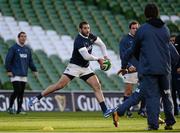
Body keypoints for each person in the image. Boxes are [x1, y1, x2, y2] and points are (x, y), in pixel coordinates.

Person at [109, 3, 176, 130]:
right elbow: (172, 51)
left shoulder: (143, 30)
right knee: (167, 96)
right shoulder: (165, 29)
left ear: (145, 14)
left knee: (151, 97)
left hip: (149, 70)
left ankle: (152, 124)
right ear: (157, 13)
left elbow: (132, 50)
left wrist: (124, 66)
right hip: (164, 69)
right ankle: (170, 122)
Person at [28, 21, 113, 117]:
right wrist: (98, 59)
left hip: (85, 67)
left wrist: (105, 56)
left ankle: (105, 111)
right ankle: (37, 98)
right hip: (74, 67)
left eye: (88, 28)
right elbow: (86, 56)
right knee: (59, 86)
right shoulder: (79, 40)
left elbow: (102, 44)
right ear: (80, 29)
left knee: (97, 86)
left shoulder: (91, 36)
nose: (87, 30)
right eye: (85, 28)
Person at [118, 21, 146, 118]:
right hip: (130, 70)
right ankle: (127, 110)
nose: (135, 30)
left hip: (141, 69)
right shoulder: (125, 40)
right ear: (130, 29)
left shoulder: (142, 40)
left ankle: (142, 110)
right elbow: (123, 54)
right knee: (128, 91)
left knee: (144, 89)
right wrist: (128, 65)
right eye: (133, 28)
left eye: (136, 28)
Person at [5, 32, 38, 114]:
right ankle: (10, 107)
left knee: (21, 93)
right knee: (17, 91)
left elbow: (30, 61)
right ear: (18, 38)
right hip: (15, 74)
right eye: (22, 36)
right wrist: (9, 70)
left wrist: (34, 70)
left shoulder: (27, 49)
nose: (23, 38)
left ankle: (19, 109)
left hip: (24, 74)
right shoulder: (13, 48)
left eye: (25, 36)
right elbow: (8, 60)